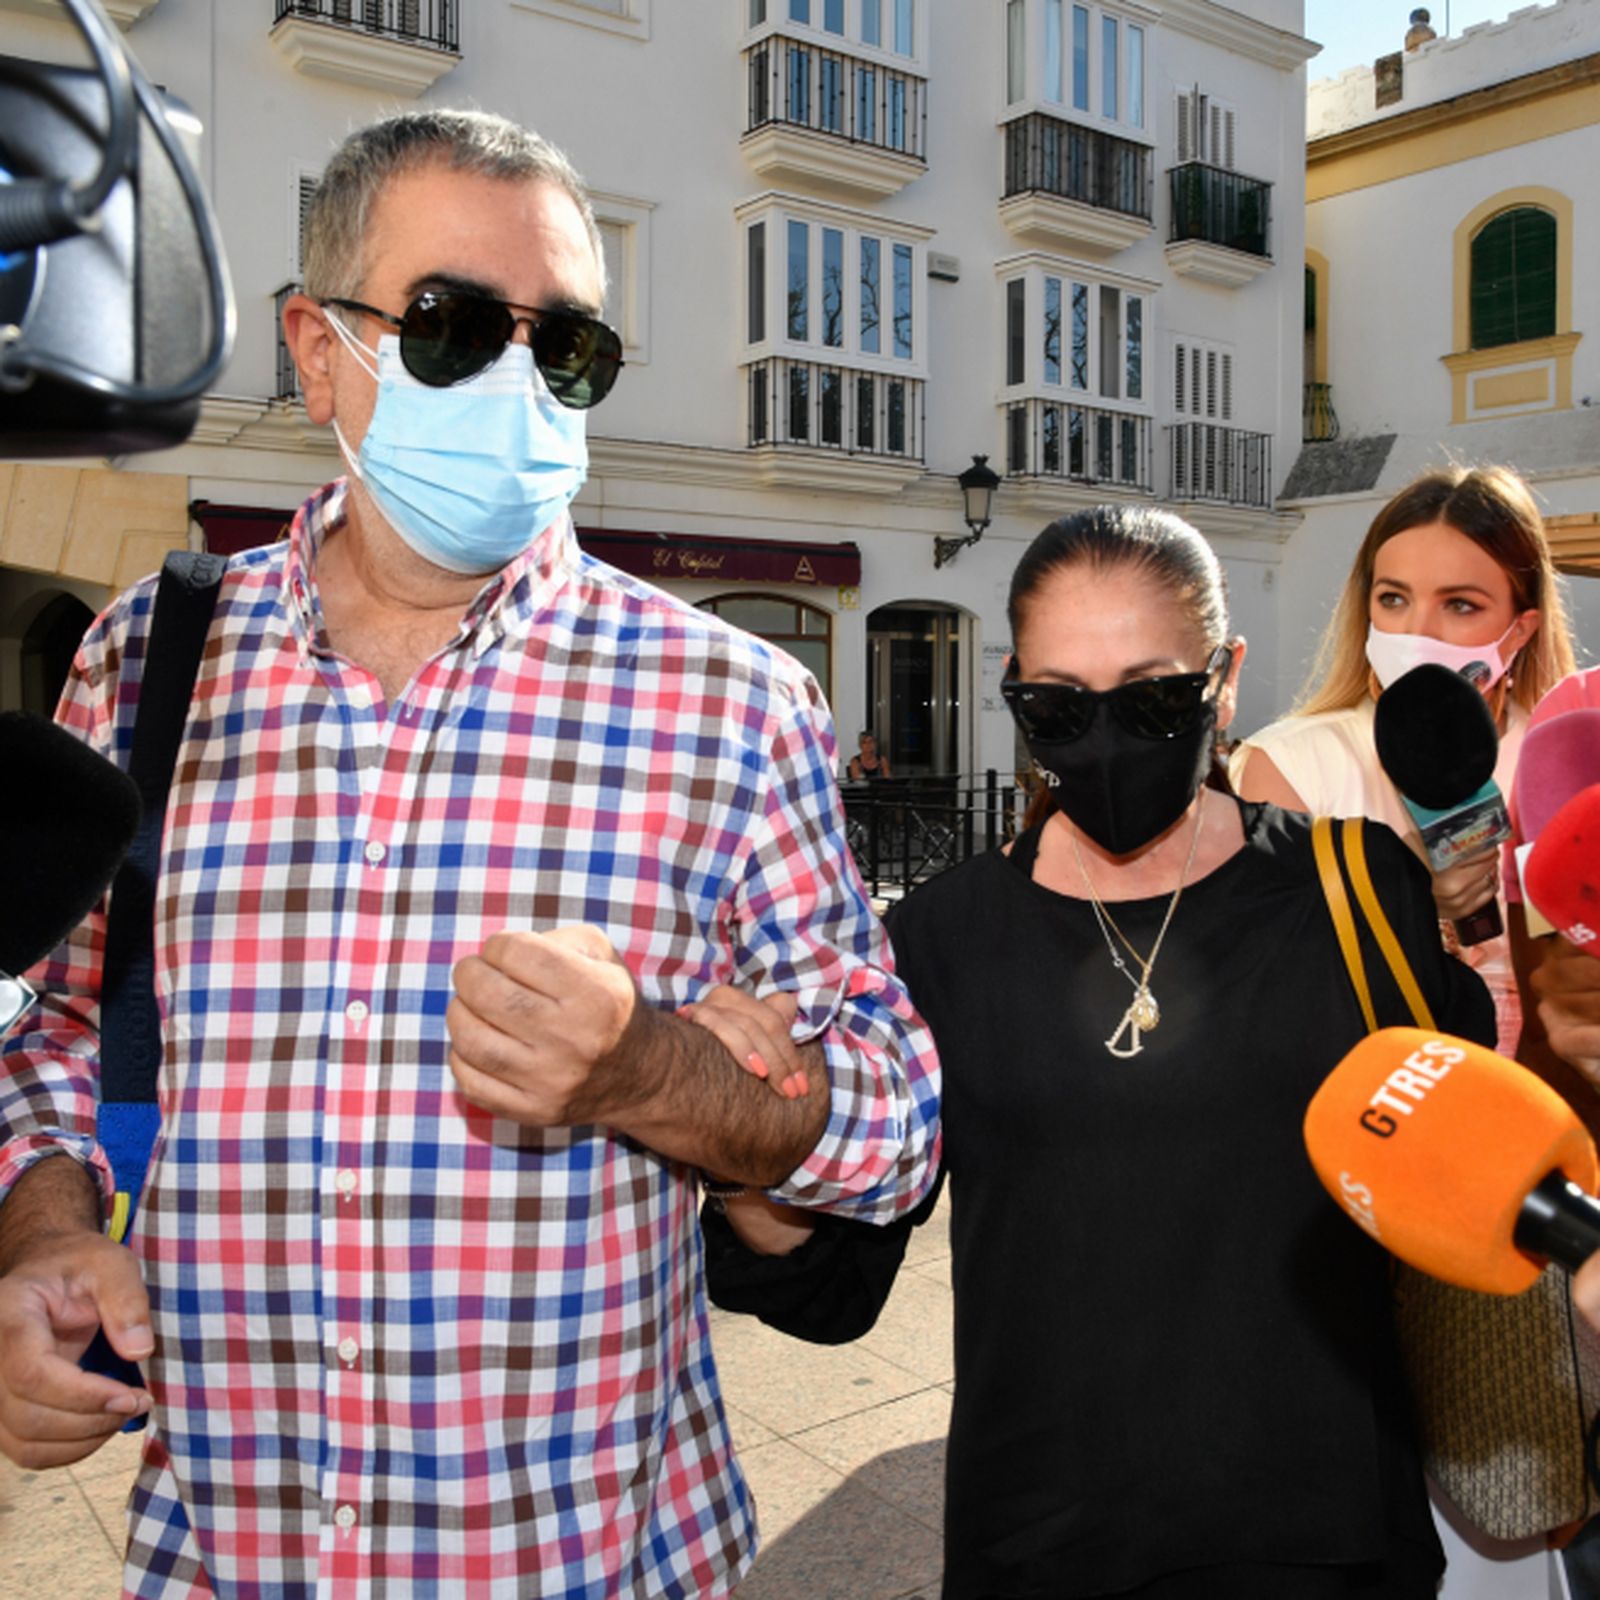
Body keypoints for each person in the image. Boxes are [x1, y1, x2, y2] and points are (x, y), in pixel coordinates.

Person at [0, 110, 939, 1597]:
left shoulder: (731, 701)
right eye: (448, 325)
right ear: (319, 354)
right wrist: (36, 1236)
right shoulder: (145, 659)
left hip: (591, 1562)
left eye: (564, 344)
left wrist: (649, 1069)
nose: (517, 376)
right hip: (227, 1559)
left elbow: (894, 1120)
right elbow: (58, 1037)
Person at [695, 505, 1496, 1598]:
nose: (1107, 742)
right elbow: (835, 1288)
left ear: (1225, 675)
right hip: (1046, 1542)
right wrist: (746, 1142)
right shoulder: (939, 940)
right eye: (1057, 707)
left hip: (1323, 1531)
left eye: (1156, 697)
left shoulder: (1356, 891)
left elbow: (1466, 1168)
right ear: (1013, 689)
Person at [1232, 466, 1576, 1060]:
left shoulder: (1561, 762)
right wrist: (1419, 911)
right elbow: (1260, 992)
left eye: (1460, 605)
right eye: (1393, 599)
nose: (1416, 632)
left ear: (1519, 631)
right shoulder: (1288, 765)